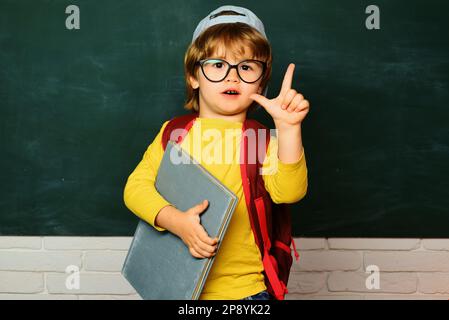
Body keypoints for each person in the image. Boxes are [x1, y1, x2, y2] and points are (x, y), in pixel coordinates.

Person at [123, 5, 309, 300]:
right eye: (217, 64)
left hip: (245, 292)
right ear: (193, 76)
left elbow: (289, 192)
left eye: (247, 67)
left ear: (261, 81)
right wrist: (176, 221)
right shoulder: (174, 133)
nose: (232, 76)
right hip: (175, 288)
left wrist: (288, 130)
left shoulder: (264, 140)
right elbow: (135, 188)